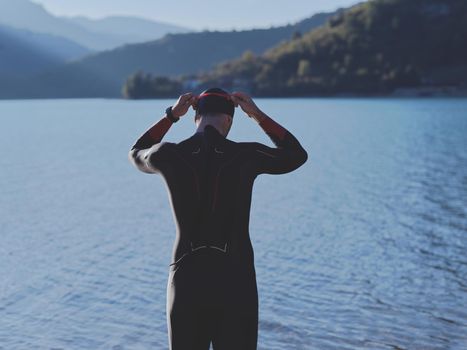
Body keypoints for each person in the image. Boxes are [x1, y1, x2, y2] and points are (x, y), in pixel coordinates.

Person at [128, 88, 308, 350]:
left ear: (195, 117)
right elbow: (296, 154)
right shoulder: (247, 155)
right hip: (235, 278)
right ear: (230, 120)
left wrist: (171, 115)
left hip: (187, 278)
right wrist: (257, 115)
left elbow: (136, 151)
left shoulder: (168, 154)